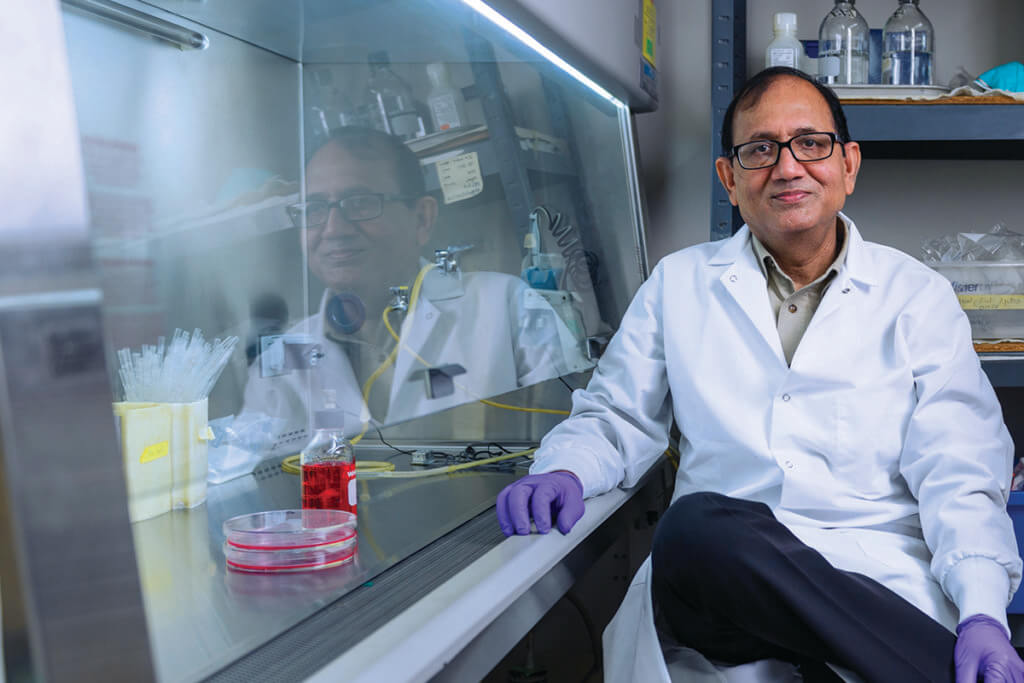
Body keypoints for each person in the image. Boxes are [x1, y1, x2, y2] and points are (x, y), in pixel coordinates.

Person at [495, 67, 1024, 682]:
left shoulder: (917, 296)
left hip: (874, 570)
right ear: (730, 178)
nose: (788, 167)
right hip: (719, 574)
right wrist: (564, 468)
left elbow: (959, 470)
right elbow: (616, 418)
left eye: (811, 143)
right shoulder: (679, 283)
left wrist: (984, 611)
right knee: (697, 527)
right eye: (760, 150)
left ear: (848, 165)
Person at [241, 126, 571, 445]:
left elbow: (574, 435)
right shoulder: (279, 363)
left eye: (359, 202)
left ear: (421, 219)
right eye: (313, 209)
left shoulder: (506, 306)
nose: (333, 229)